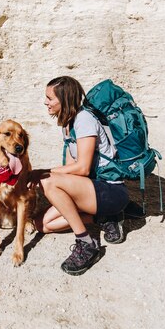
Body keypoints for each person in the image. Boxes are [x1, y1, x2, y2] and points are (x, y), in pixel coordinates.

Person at [31, 76, 129, 275]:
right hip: (91, 190)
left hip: (110, 190)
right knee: (42, 224)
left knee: (47, 181)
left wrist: (41, 174)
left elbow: (82, 168)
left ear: (64, 99)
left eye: (50, 98)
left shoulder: (84, 120)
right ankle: (103, 218)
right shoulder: (68, 123)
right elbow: (70, 168)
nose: (45, 102)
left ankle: (86, 242)